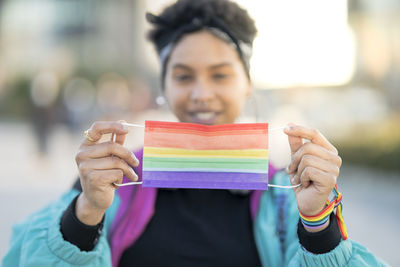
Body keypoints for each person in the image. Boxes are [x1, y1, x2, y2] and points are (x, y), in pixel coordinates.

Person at [2, 0, 387, 266]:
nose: (202, 94)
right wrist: (85, 213)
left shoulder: (286, 196)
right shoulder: (113, 180)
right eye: (184, 76)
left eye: (220, 75)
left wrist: (319, 221)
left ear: (247, 85)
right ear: (164, 87)